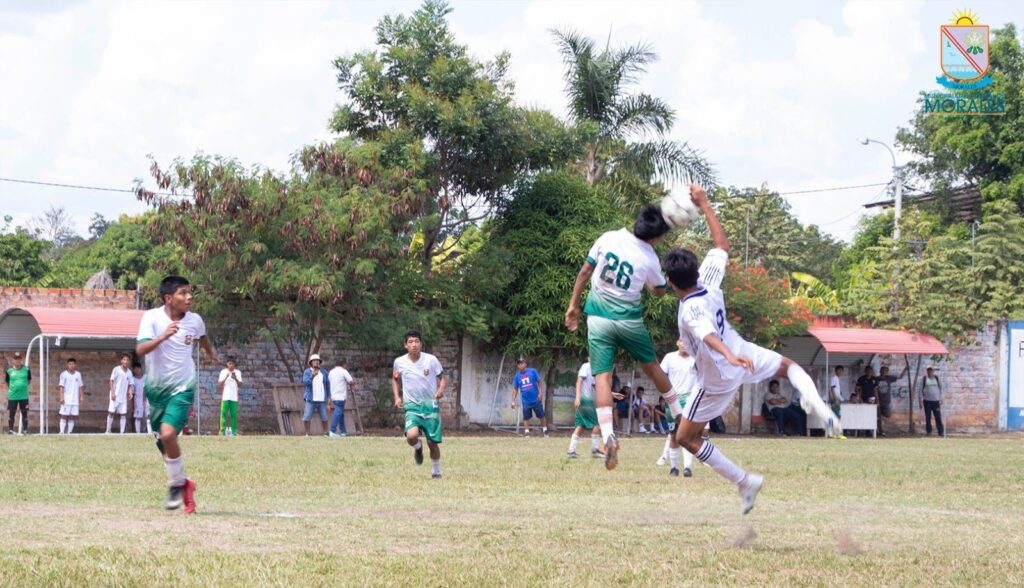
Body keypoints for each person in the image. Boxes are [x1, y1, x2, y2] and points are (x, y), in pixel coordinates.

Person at [663, 184, 843, 514]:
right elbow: (721, 244)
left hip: (718, 376)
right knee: (790, 367)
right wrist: (705, 204)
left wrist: (729, 356)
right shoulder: (708, 280)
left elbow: (706, 336)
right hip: (742, 350)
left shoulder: (689, 308)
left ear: (671, 281)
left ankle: (745, 482)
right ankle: (818, 405)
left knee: (687, 438)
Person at [564, 203, 688, 470]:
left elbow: (585, 271)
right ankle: (678, 413)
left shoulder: (608, 237)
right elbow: (659, 291)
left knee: (603, 377)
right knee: (652, 366)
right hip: (629, 321)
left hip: (597, 318)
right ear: (656, 237)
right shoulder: (650, 258)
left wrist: (573, 305)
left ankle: (608, 434)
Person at [136, 275, 218, 514]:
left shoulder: (195, 320)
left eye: (190, 292)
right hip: (156, 389)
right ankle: (184, 484)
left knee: (169, 433)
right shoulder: (151, 317)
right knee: (163, 442)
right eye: (183, 293)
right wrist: (163, 336)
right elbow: (140, 349)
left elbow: (202, 339)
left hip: (183, 386)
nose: (189, 297)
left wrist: (210, 353)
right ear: (169, 298)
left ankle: (174, 485)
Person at [392, 330, 446, 479]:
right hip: (412, 406)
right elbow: (395, 379)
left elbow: (442, 378)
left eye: (417, 341)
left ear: (421, 344)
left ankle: (436, 470)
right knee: (411, 436)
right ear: (405, 345)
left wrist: (440, 390)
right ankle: (417, 447)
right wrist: (397, 397)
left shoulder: (431, 360)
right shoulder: (399, 362)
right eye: (410, 342)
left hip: (430, 406)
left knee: (433, 443)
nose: (414, 344)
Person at [657, 340, 702, 477]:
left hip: (689, 400)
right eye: (682, 341)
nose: (684, 344)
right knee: (673, 435)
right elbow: (660, 376)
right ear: (677, 343)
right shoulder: (669, 358)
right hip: (673, 400)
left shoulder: (696, 359)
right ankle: (674, 468)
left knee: (688, 435)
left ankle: (688, 468)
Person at [567, 356, 603, 458]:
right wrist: (578, 397)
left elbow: (596, 387)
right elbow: (579, 382)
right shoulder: (586, 366)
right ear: (589, 358)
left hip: (587, 400)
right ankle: (595, 450)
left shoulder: (595, 370)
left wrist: (611, 394)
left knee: (581, 425)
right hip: (585, 400)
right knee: (597, 424)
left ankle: (571, 451)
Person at [510, 357, 547, 436]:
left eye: (522, 363)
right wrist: (513, 400)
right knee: (526, 417)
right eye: (519, 364)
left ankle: (545, 430)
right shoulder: (517, 376)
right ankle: (526, 432)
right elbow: (515, 389)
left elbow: (539, 382)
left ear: (525, 364)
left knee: (541, 415)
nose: (520, 365)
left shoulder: (532, 371)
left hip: (536, 399)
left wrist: (540, 393)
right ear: (518, 366)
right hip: (526, 401)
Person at [301, 354, 330, 436]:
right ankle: (307, 433)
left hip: (322, 399)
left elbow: (327, 385)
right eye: (314, 360)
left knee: (324, 417)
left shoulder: (324, 372)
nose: (316, 362)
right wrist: (312, 376)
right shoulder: (307, 372)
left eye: (318, 360)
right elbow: (306, 383)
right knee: (307, 416)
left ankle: (325, 433)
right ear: (311, 362)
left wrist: (329, 398)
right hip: (311, 399)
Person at [106, 353, 133, 434]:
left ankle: (122, 432)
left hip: (123, 397)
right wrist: (113, 393)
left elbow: (130, 384)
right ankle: (108, 430)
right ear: (121, 361)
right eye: (124, 359)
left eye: (127, 360)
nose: (126, 361)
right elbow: (111, 381)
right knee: (111, 412)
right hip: (115, 395)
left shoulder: (129, 372)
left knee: (123, 414)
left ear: (129, 362)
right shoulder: (116, 369)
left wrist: (130, 392)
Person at [6, 352, 32, 435]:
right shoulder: (9, 370)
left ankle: (25, 430)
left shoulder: (26, 369)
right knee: (11, 413)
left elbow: (29, 380)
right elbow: (7, 382)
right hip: (13, 396)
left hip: (23, 396)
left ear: (21, 360)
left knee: (24, 413)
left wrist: (22, 386)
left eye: (19, 359)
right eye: (15, 359)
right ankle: (10, 430)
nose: (17, 361)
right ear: (13, 360)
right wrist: (14, 388)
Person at [328, 358, 355, 437]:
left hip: (334, 395)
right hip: (341, 396)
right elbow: (350, 380)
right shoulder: (343, 371)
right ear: (343, 364)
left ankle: (343, 431)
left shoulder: (331, 372)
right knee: (338, 412)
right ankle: (332, 430)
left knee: (340, 414)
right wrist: (353, 386)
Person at [876, 365, 905, 437]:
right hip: (878, 401)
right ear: (880, 371)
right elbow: (874, 389)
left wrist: (905, 369)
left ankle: (881, 413)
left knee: (888, 414)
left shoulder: (889, 378)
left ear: (887, 372)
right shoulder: (877, 379)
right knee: (878, 418)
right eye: (882, 371)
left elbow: (900, 377)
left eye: (885, 371)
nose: (883, 372)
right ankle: (880, 431)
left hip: (886, 401)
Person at [58, 357, 85, 435]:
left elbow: (81, 386)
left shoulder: (78, 374)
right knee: (64, 415)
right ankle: (62, 431)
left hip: (75, 399)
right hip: (66, 399)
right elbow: (61, 386)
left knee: (72, 416)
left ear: (75, 365)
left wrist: (82, 397)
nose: (71, 365)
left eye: (73, 364)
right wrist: (61, 397)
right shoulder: (63, 374)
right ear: (67, 365)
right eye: (70, 364)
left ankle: (69, 432)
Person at [218, 356, 242, 437]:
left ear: (235, 364)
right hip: (225, 397)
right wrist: (226, 376)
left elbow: (240, 384)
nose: (231, 365)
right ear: (227, 364)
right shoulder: (223, 371)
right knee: (223, 414)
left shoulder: (237, 372)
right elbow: (220, 383)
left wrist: (235, 378)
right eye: (229, 363)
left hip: (234, 397)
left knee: (234, 415)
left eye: (232, 363)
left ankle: (234, 432)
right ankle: (222, 431)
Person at [921, 367, 944, 436]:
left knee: (938, 417)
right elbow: (920, 389)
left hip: (936, 401)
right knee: (928, 417)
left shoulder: (936, 378)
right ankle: (928, 431)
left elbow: (941, 388)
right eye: (929, 370)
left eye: (931, 370)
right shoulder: (924, 378)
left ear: (933, 371)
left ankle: (941, 432)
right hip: (927, 401)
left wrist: (941, 398)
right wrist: (920, 399)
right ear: (927, 371)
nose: (930, 372)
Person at [131, 362, 150, 434]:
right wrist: (133, 403)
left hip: (146, 400)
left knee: (147, 416)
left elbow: (146, 388)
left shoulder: (145, 377)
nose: (137, 370)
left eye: (138, 368)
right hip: (137, 400)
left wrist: (144, 399)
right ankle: (138, 433)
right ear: (133, 370)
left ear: (140, 369)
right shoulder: (133, 379)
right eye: (135, 369)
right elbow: (132, 390)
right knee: (138, 417)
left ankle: (149, 432)